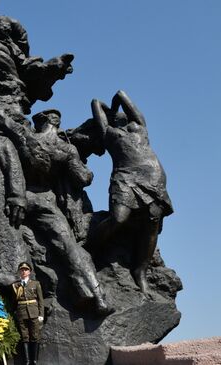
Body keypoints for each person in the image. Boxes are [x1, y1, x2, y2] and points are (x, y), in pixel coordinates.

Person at [0, 98, 113, 317]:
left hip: (20, 197)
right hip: (46, 200)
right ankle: (97, 296)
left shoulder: (27, 136)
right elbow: (83, 178)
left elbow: (0, 118)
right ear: (57, 124)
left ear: (40, 122)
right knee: (69, 247)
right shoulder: (66, 149)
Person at [90, 91, 173, 292]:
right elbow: (95, 103)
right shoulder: (108, 133)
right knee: (119, 218)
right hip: (125, 178)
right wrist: (109, 110)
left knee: (152, 224)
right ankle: (90, 248)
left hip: (152, 178)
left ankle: (140, 271)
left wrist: (116, 101)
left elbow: (122, 95)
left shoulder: (140, 128)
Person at [11, 262, 44, 365]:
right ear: (19, 272)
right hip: (22, 313)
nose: (23, 271)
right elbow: (14, 302)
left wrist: (41, 314)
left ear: (29, 272)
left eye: (26, 270)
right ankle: (27, 361)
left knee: (35, 336)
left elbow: (40, 300)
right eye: (22, 270)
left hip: (34, 313)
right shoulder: (15, 285)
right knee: (25, 337)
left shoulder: (35, 284)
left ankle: (34, 360)